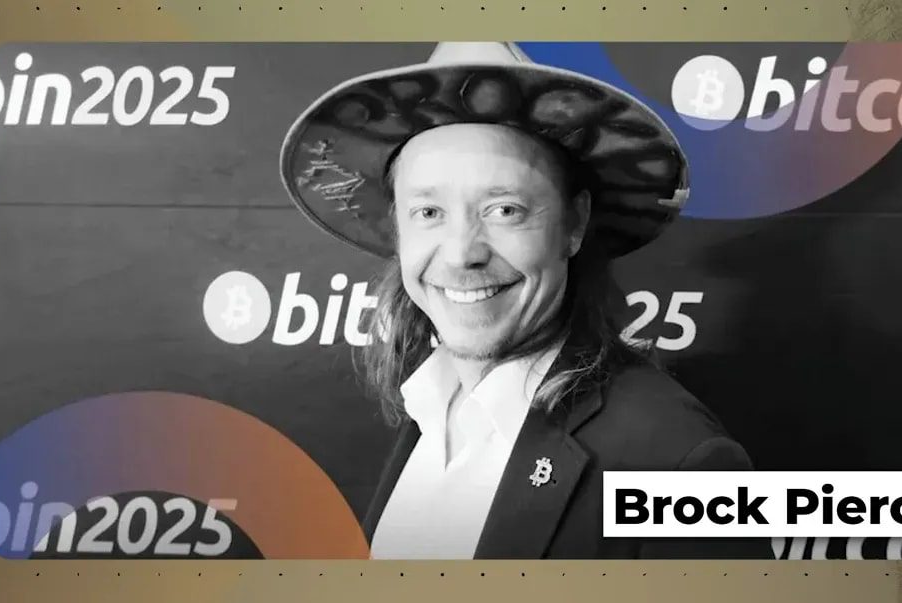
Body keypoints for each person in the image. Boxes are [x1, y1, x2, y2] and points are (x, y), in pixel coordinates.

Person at [280, 42, 769, 560]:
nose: (462, 253)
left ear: (573, 225)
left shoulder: (679, 462)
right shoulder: (426, 405)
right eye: (428, 212)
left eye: (505, 209)